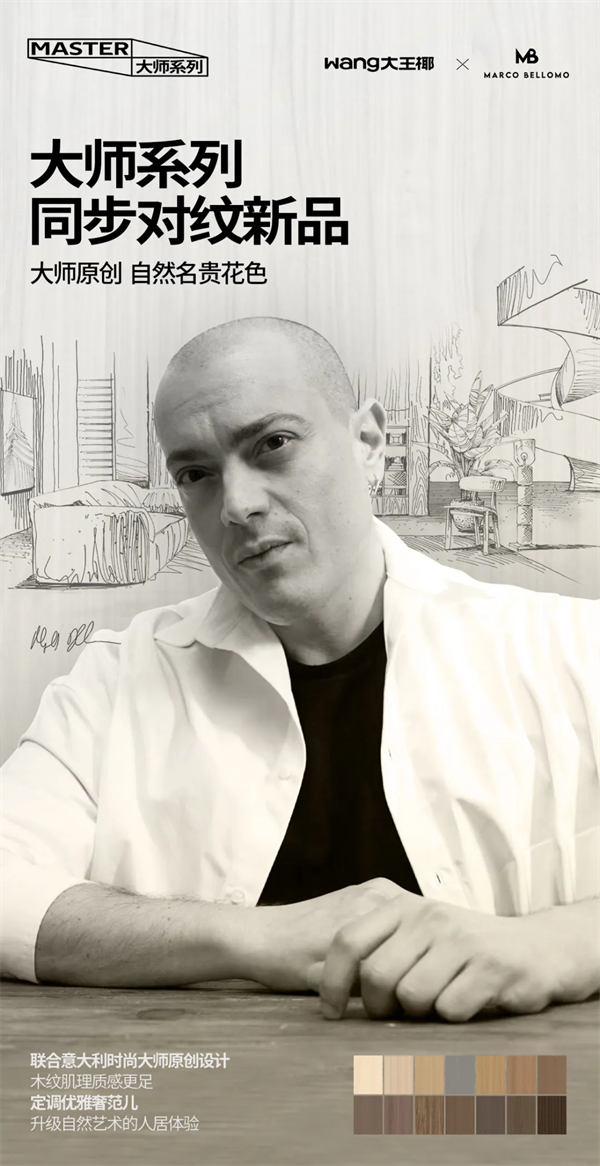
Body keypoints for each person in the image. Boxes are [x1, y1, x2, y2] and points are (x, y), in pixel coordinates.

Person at [1, 317, 598, 1023]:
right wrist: (263, 939)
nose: (237, 505)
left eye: (273, 444)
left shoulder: (569, 649)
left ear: (367, 443)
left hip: (494, 1089)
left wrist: (556, 942)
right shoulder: (117, 678)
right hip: (209, 1087)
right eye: (195, 474)